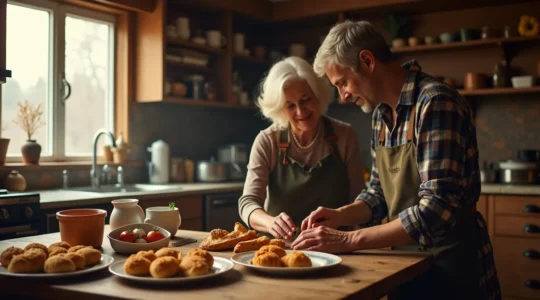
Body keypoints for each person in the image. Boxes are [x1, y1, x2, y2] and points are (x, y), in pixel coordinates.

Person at [291, 20, 501, 300]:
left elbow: (436, 209)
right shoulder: (380, 115)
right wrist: (339, 216)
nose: (343, 95)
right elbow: (378, 194)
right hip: (405, 262)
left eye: (342, 83)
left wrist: (347, 239)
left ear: (367, 60)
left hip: (451, 264)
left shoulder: (434, 103)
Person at [238, 56, 366, 241]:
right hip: (280, 249)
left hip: (335, 246)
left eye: (306, 100)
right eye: (290, 105)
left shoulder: (344, 136)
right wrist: (270, 223)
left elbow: (360, 200)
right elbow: (248, 203)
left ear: (318, 94)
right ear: (280, 108)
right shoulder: (267, 141)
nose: (300, 111)